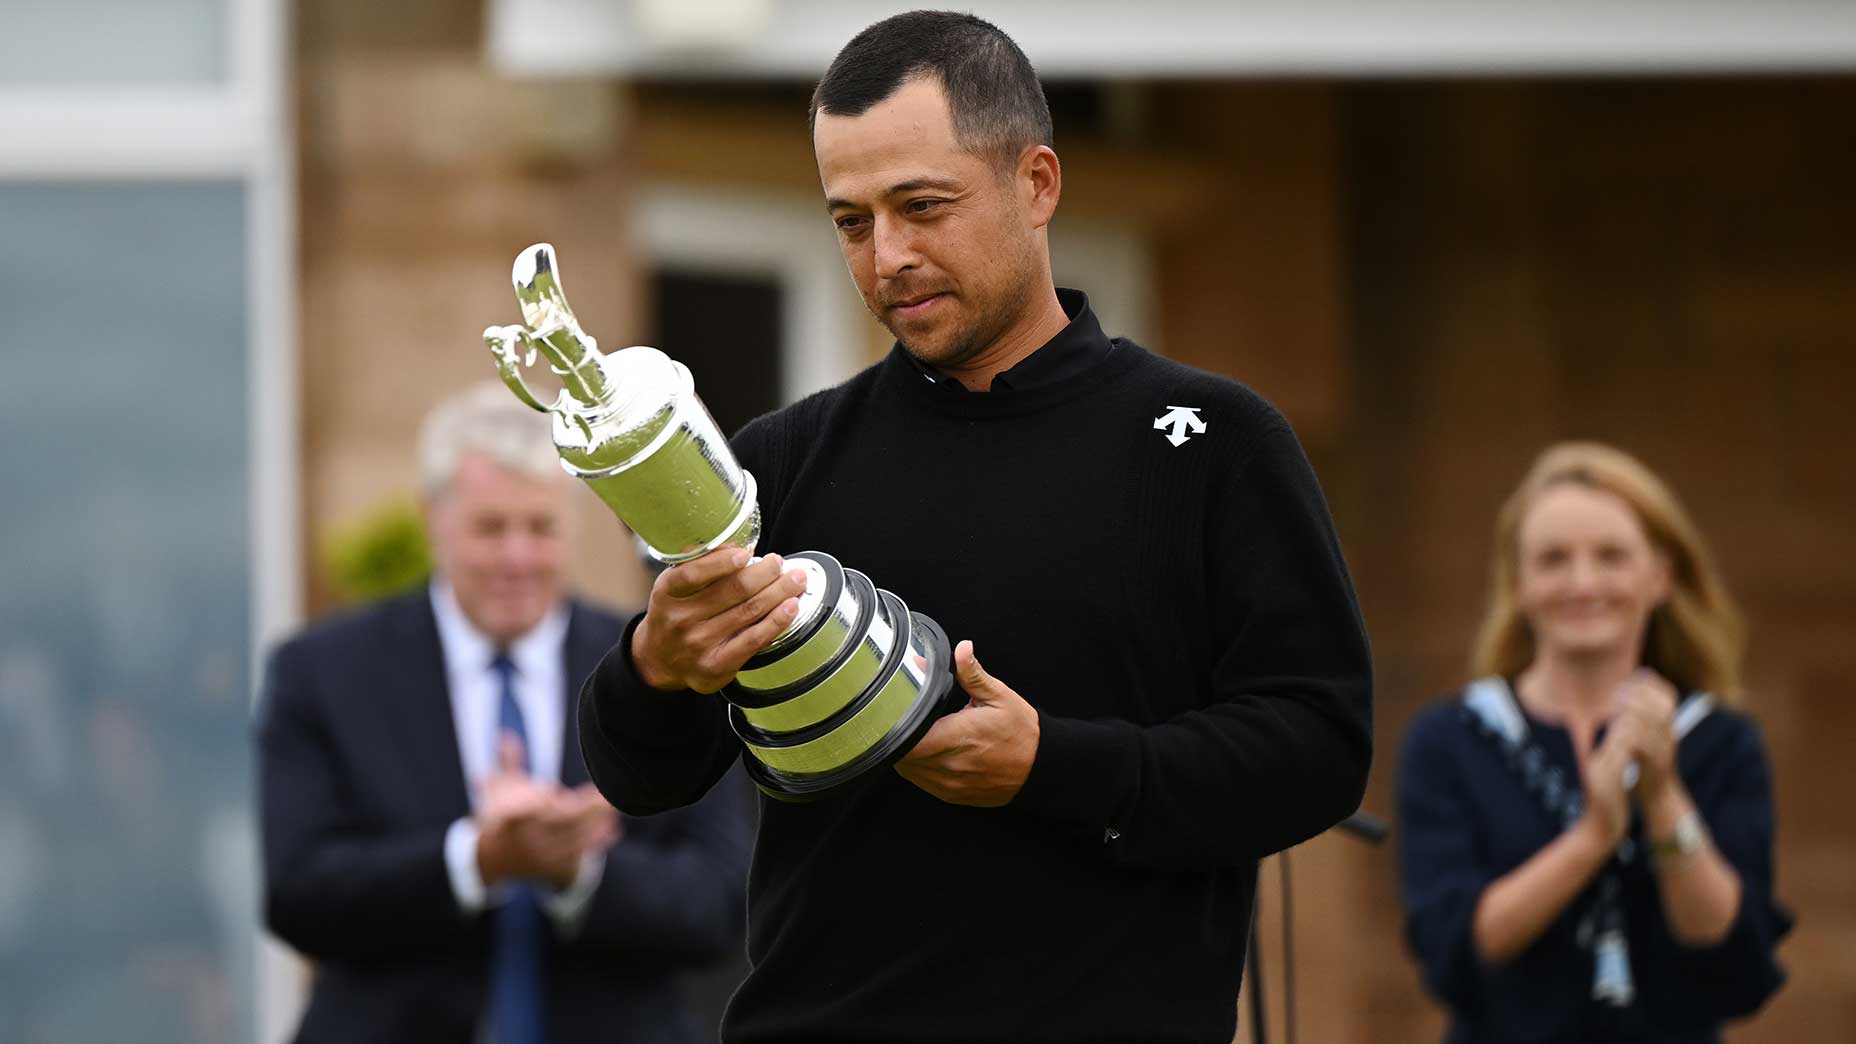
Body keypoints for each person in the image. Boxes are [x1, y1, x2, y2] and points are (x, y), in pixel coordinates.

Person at [575, 11, 1374, 1043]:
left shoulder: (1212, 442)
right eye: (850, 222)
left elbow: (1318, 747)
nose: (887, 257)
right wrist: (654, 665)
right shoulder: (783, 459)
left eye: (922, 206)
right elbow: (643, 776)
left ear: (1035, 184)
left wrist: (1054, 767)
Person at [257, 383, 752, 1044]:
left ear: (571, 525)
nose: (517, 558)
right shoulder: (324, 670)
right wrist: (475, 859)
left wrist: (577, 871)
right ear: (432, 520)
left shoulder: (661, 666)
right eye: (490, 529)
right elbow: (296, 893)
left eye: (540, 528)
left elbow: (720, 905)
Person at [1397, 442, 1792, 1043]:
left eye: (1611, 556)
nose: (1583, 584)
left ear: (1659, 576)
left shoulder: (1720, 740)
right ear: (1519, 582)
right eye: (1553, 559)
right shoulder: (1452, 739)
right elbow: (1453, 948)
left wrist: (1661, 794)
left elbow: (1728, 946)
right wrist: (1592, 837)